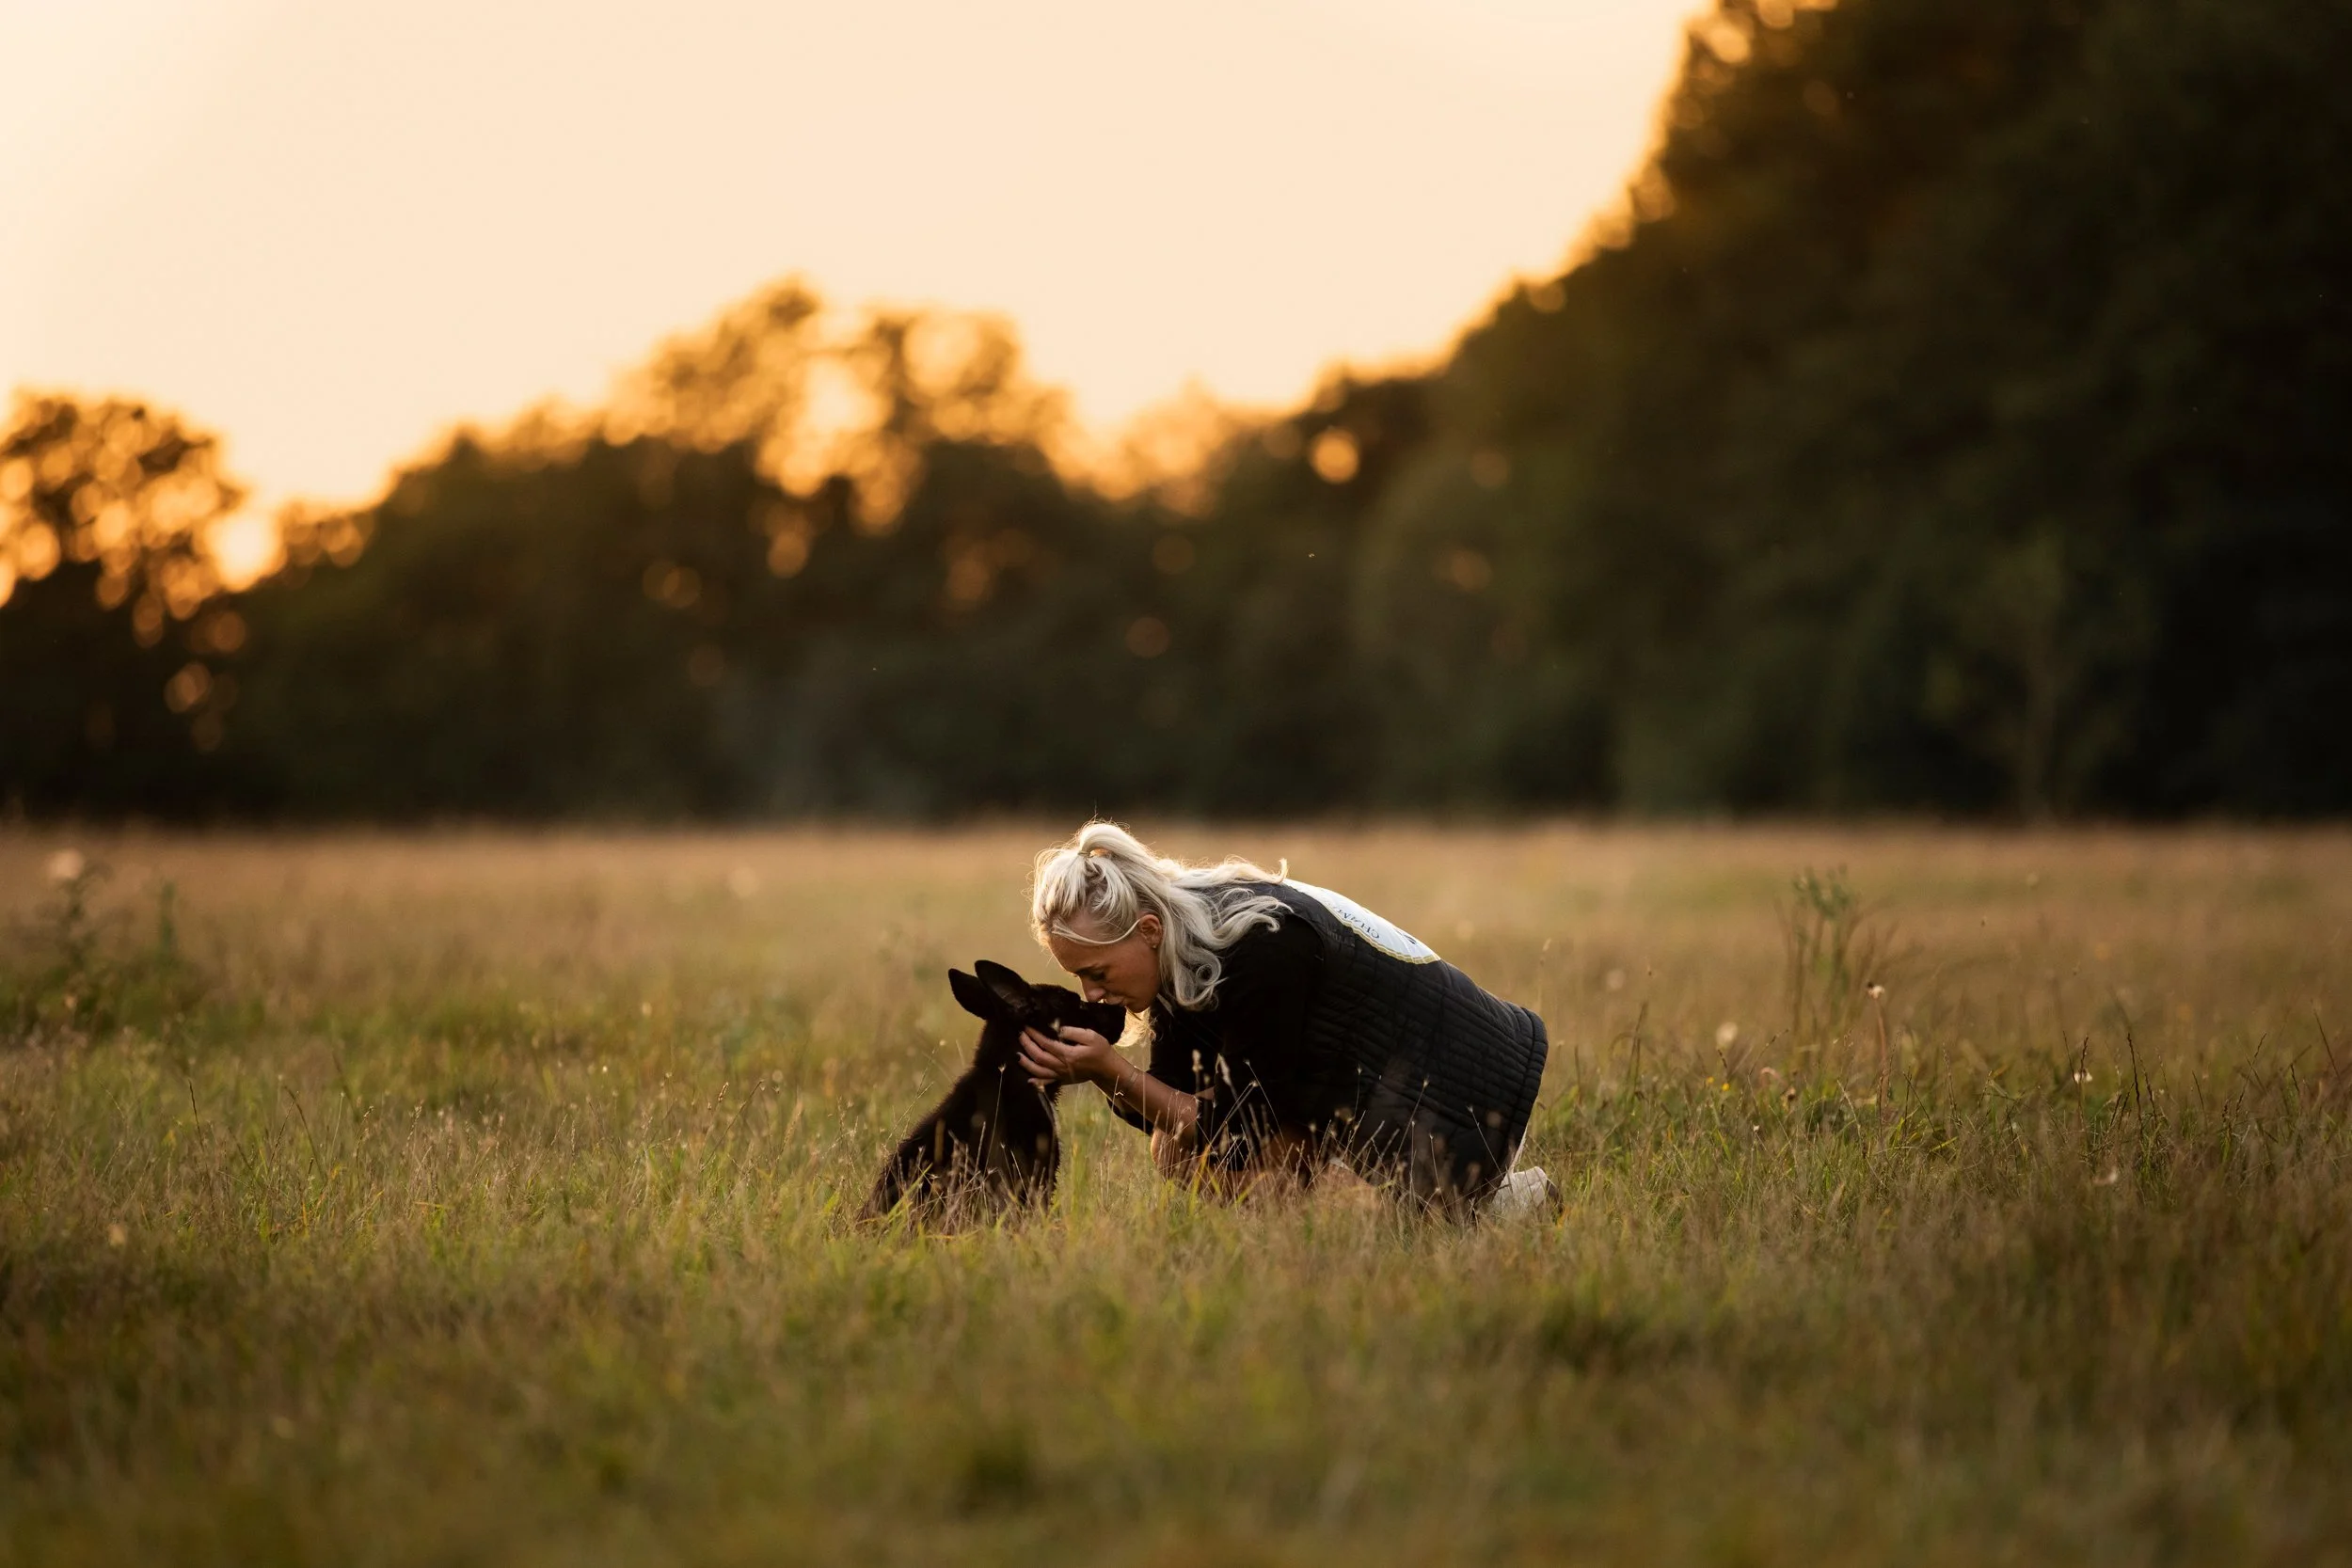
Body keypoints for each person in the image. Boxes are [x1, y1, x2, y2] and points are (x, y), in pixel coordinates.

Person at [1015, 821, 1554, 1216]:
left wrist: (1114, 1072)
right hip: (1433, 1107)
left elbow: (1242, 1133)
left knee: (1200, 1146)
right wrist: (1101, 1073)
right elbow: (1175, 1098)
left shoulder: (1260, 946)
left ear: (1148, 930)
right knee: (1174, 1144)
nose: (1091, 992)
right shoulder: (1189, 946)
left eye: (1097, 971)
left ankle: (1455, 1213)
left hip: (1478, 1106)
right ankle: (1487, 1210)